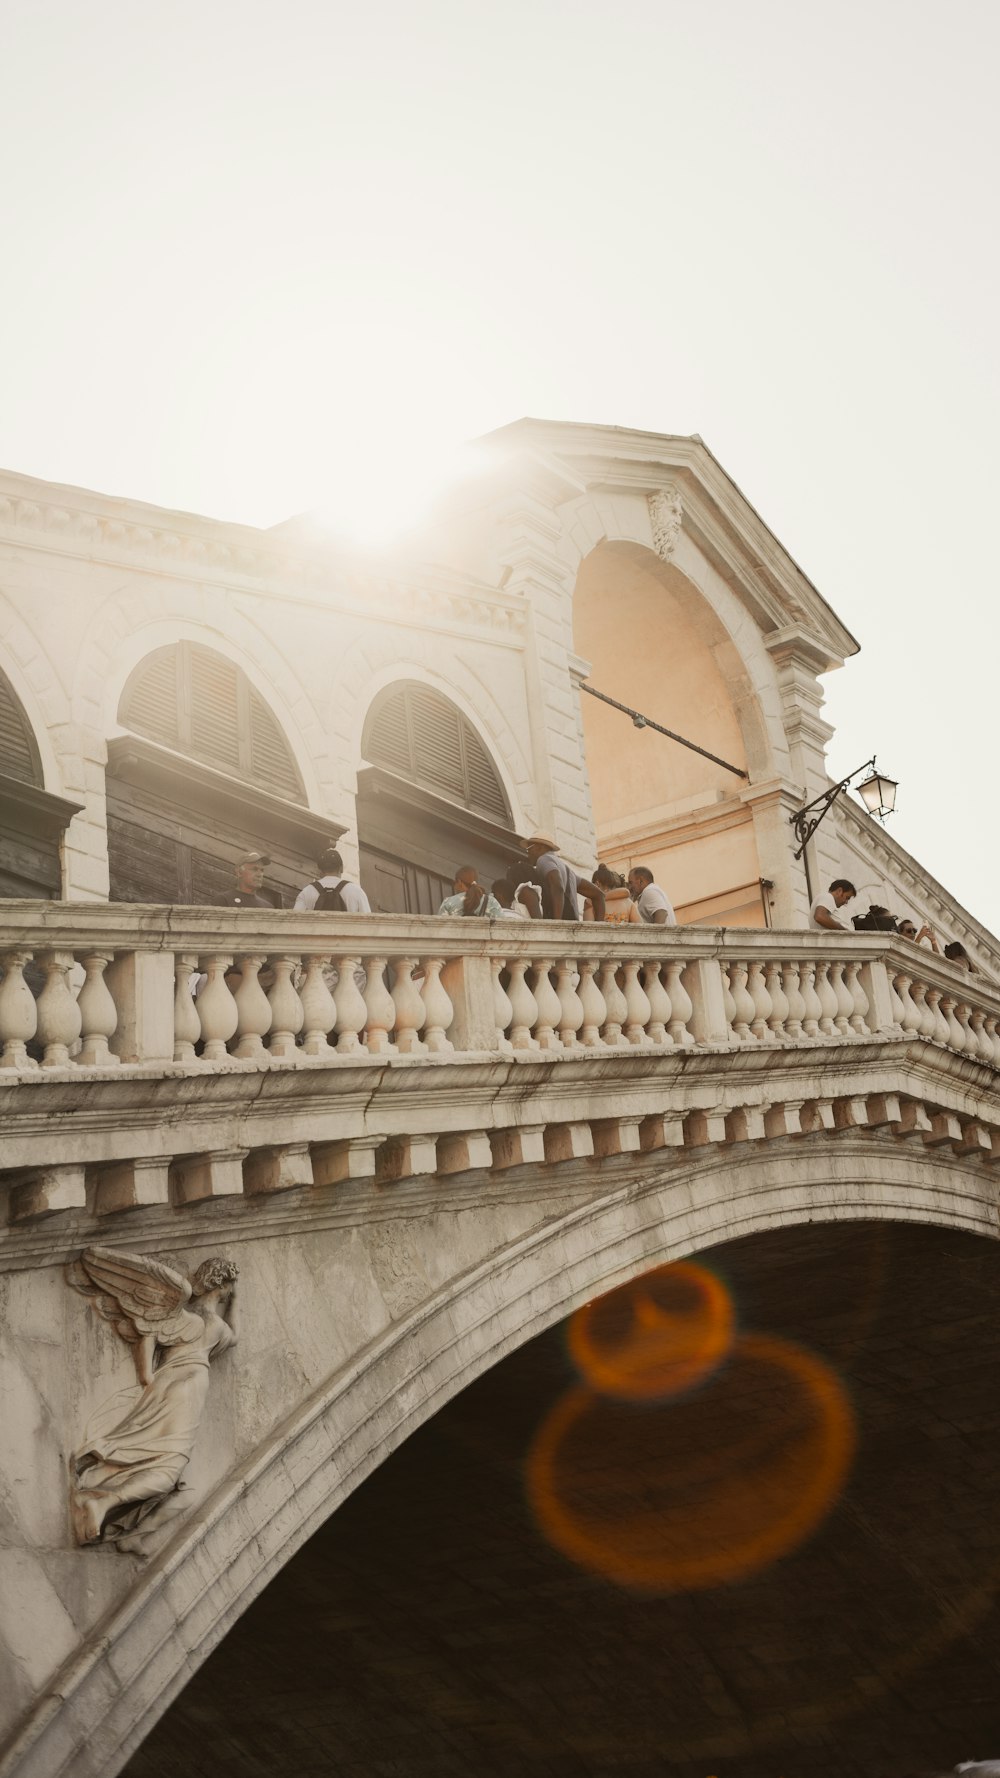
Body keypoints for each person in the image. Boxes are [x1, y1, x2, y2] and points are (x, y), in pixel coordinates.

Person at [523, 834, 606, 922]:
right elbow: (599, 895)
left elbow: (557, 886)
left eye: (529, 849)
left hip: (561, 927)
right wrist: (599, 924)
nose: (527, 853)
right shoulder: (567, 870)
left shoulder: (543, 860)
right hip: (573, 926)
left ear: (539, 847)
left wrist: (557, 923)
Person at [294, 848, 371, 914]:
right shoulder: (356, 891)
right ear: (341, 868)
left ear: (319, 871)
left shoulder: (307, 892)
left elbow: (295, 922)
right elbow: (369, 924)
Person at [438, 865, 502, 918]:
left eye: (455, 883)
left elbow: (440, 929)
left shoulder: (448, 902)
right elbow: (503, 926)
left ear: (459, 881)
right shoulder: (491, 902)